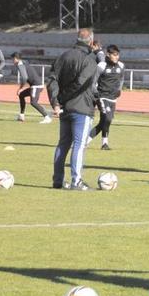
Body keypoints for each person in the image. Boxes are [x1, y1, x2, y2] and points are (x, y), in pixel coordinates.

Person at [46, 28, 99, 191]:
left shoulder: (63, 57)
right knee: (79, 144)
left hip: (65, 109)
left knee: (63, 144)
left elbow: (52, 81)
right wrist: (62, 99)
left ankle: (58, 180)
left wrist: (55, 101)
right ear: (91, 41)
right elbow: (81, 83)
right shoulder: (89, 61)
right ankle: (76, 181)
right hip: (81, 108)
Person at [89, 45, 125, 150]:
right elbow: (93, 81)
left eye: (118, 55)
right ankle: (104, 143)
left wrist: (119, 89)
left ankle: (89, 141)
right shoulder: (102, 65)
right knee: (107, 118)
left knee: (104, 122)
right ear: (108, 55)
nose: (117, 57)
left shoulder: (121, 66)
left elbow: (122, 79)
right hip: (102, 97)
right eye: (114, 55)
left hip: (113, 97)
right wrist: (96, 94)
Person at [12, 52, 51, 123]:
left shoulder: (20, 65)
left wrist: (21, 88)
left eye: (13, 59)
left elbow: (24, 78)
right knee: (21, 95)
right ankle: (21, 115)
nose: (12, 61)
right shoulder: (23, 63)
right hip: (34, 85)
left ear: (15, 58)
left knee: (33, 102)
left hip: (37, 85)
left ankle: (47, 117)